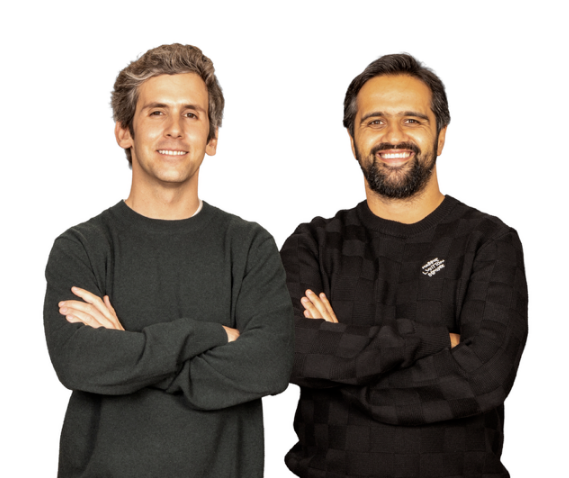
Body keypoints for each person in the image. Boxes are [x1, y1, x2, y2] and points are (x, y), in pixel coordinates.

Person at [43, 43, 294, 478]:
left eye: (191, 114)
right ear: (124, 131)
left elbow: (270, 366)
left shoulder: (249, 246)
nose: (175, 129)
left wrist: (130, 349)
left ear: (212, 139)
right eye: (157, 112)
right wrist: (211, 335)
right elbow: (79, 363)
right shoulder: (82, 247)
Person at [280, 54, 527, 478]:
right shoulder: (313, 244)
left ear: (441, 136)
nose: (393, 136)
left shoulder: (488, 242)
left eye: (412, 120)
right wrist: (431, 341)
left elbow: (483, 375)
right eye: (375, 121)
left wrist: (343, 366)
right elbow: (290, 350)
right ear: (352, 140)